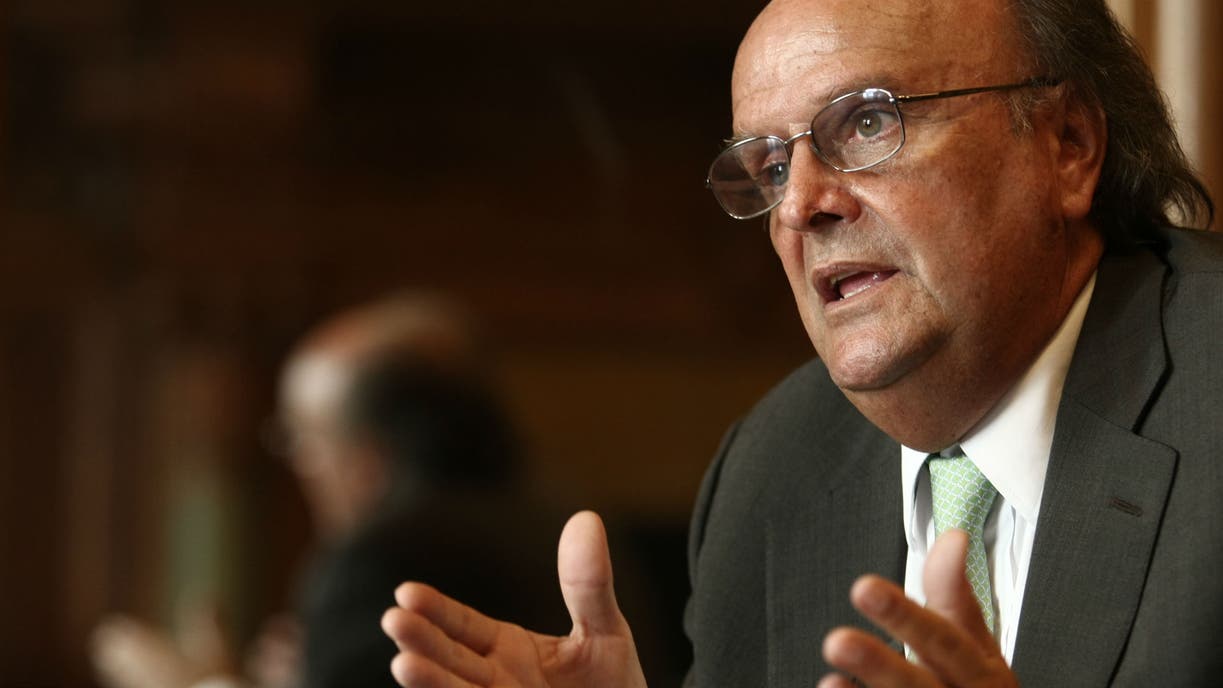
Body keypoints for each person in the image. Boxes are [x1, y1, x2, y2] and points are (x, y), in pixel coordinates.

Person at [380, 0, 1220, 686]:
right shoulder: (773, 471)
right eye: (772, 167)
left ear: (1067, 145)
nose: (798, 207)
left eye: (866, 124)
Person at [93, 293, 567, 688]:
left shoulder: (379, 561)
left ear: (367, 462)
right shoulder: (560, 530)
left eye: (303, 441)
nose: (299, 465)